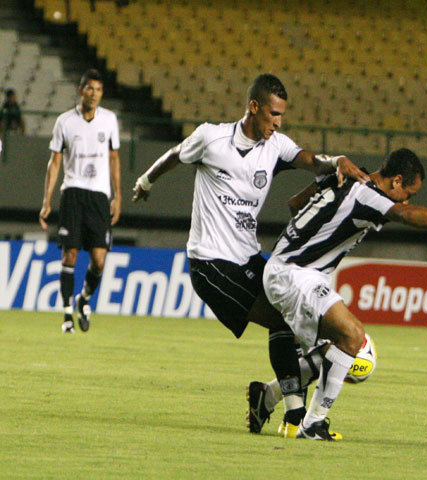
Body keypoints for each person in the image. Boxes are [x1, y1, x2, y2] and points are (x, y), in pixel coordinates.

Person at [131, 73, 369, 436]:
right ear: (254, 107)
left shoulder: (275, 147)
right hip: (211, 263)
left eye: (282, 116)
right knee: (283, 320)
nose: (277, 122)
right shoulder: (211, 137)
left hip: (248, 258)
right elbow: (175, 155)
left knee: (288, 315)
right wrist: (146, 181)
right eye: (273, 114)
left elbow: (309, 160)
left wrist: (335, 160)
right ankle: (292, 413)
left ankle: (272, 400)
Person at [262, 148, 427, 440]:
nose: (408, 199)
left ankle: (270, 397)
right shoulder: (368, 194)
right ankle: (312, 423)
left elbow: (295, 203)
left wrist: (317, 231)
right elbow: (405, 214)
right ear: (396, 181)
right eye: (409, 191)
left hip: (287, 266)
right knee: (354, 337)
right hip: (295, 275)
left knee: (342, 347)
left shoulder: (341, 178)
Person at [39, 69, 121, 333]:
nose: (93, 94)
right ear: (80, 90)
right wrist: (46, 200)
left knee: (99, 260)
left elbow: (114, 159)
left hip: (99, 195)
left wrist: (117, 196)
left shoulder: (109, 120)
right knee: (70, 253)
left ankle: (83, 298)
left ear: (101, 93)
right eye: (89, 88)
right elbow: (54, 163)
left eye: (98, 90)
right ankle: (66, 315)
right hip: (73, 191)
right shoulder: (65, 122)